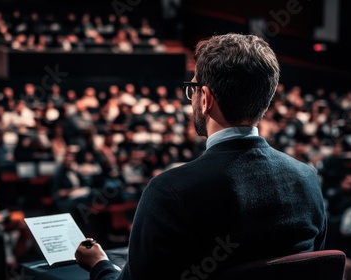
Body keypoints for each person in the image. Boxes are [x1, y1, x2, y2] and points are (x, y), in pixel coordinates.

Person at [75, 33, 327, 280]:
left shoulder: (169, 191)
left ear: (204, 98)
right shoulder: (306, 179)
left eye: (193, 88)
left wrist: (100, 266)